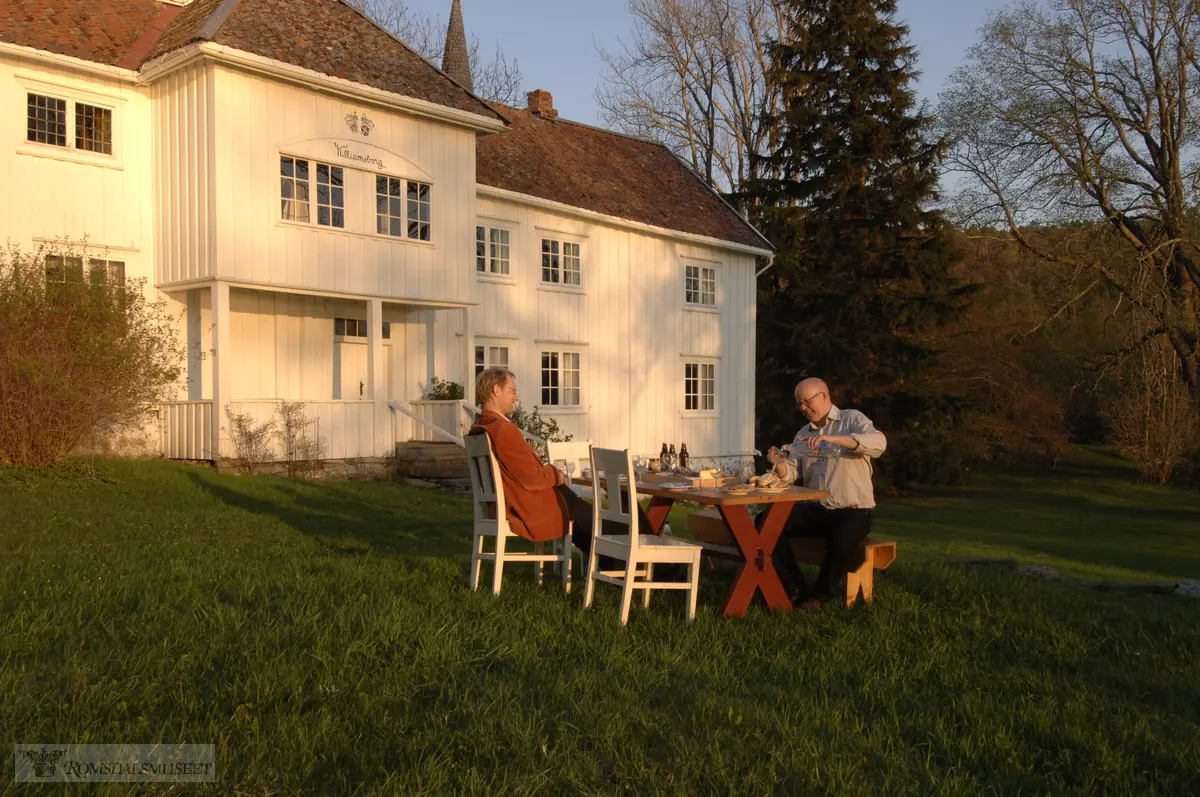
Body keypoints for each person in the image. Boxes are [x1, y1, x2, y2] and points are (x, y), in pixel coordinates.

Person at [467, 367, 648, 562]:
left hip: (532, 501)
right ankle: (658, 563)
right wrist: (556, 475)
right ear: (496, 390)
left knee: (591, 523)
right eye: (512, 391)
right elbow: (531, 479)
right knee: (623, 522)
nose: (517, 397)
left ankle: (614, 566)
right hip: (536, 505)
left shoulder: (482, 427)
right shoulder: (503, 429)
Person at [761, 377, 887, 611]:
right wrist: (778, 462)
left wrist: (834, 438)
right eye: (799, 404)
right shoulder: (803, 434)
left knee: (842, 538)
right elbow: (790, 474)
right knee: (766, 521)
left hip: (852, 509)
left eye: (807, 402)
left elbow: (879, 444)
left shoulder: (851, 419)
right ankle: (793, 588)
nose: (804, 409)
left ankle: (820, 596)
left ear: (825, 396)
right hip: (815, 509)